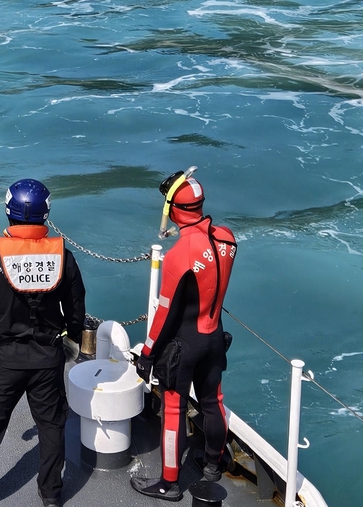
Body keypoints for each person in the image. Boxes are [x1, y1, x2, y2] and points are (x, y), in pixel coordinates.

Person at [0, 179, 86, 507]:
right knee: (51, 427)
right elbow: (77, 305)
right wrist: (75, 339)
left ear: (9, 213)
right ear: (45, 214)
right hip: (48, 358)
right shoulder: (63, 258)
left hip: (4, 362)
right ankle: (51, 495)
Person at [131, 170, 237, 502]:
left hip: (184, 344)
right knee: (212, 402)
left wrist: (147, 354)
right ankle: (211, 467)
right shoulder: (228, 239)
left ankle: (169, 483)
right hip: (215, 336)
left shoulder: (180, 255)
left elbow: (165, 314)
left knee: (173, 410)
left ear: (173, 210)